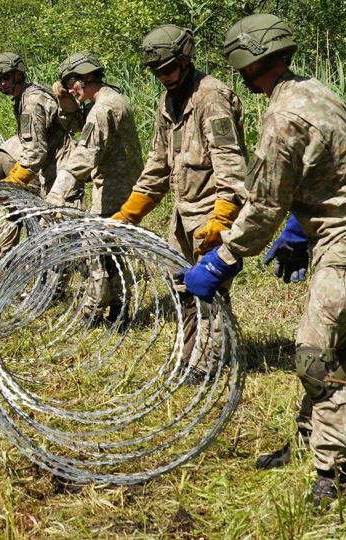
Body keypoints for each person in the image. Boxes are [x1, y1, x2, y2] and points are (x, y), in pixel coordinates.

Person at [180, 13, 346, 506]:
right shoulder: (313, 90)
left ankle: (332, 469)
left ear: (246, 62)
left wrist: (223, 259)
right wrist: (301, 230)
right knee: (331, 339)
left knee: (313, 349)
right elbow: (336, 166)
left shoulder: (283, 116)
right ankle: (313, 438)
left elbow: (264, 204)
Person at [110, 24, 247, 366]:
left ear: (186, 59)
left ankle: (213, 363)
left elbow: (230, 164)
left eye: (169, 69)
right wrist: (129, 213)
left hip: (212, 212)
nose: (164, 77)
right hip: (182, 213)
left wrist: (223, 216)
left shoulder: (211, 98)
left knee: (208, 291)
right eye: (157, 73)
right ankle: (190, 354)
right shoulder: (168, 102)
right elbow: (158, 163)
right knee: (182, 288)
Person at [43, 52, 144, 324]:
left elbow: (84, 154)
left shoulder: (102, 109)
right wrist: (65, 101)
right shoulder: (114, 99)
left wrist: (57, 192)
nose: (71, 90)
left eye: (71, 83)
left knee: (96, 253)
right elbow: (76, 123)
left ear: (83, 79)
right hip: (124, 186)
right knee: (113, 252)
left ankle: (93, 310)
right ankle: (119, 310)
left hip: (112, 189)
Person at [0, 52, 74, 252]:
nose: (2, 84)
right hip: (49, 165)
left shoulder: (31, 102)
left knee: (63, 221)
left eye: (6, 77)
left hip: (61, 167)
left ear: (18, 74)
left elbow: (36, 151)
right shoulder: (27, 95)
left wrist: (15, 180)